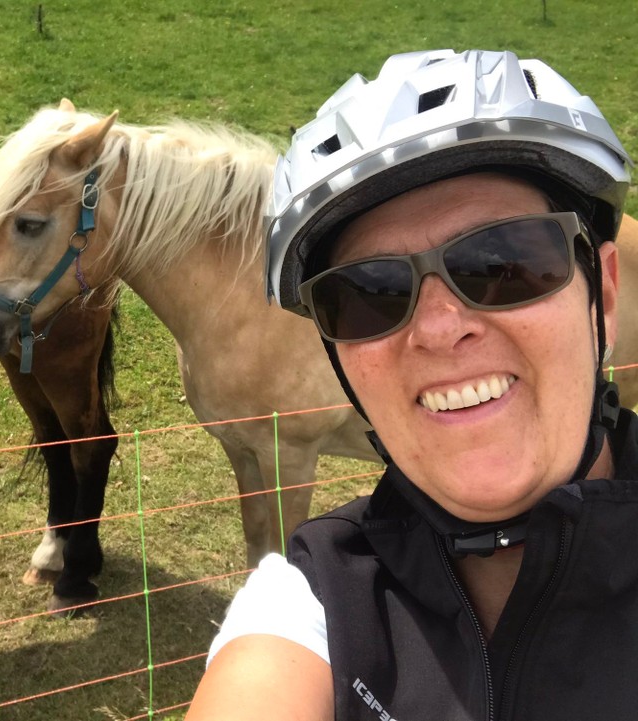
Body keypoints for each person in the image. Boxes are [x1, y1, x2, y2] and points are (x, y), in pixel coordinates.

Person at [185, 49, 635, 721]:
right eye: (370, 293)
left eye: (502, 262)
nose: (438, 327)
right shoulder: (313, 603)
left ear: (600, 292)